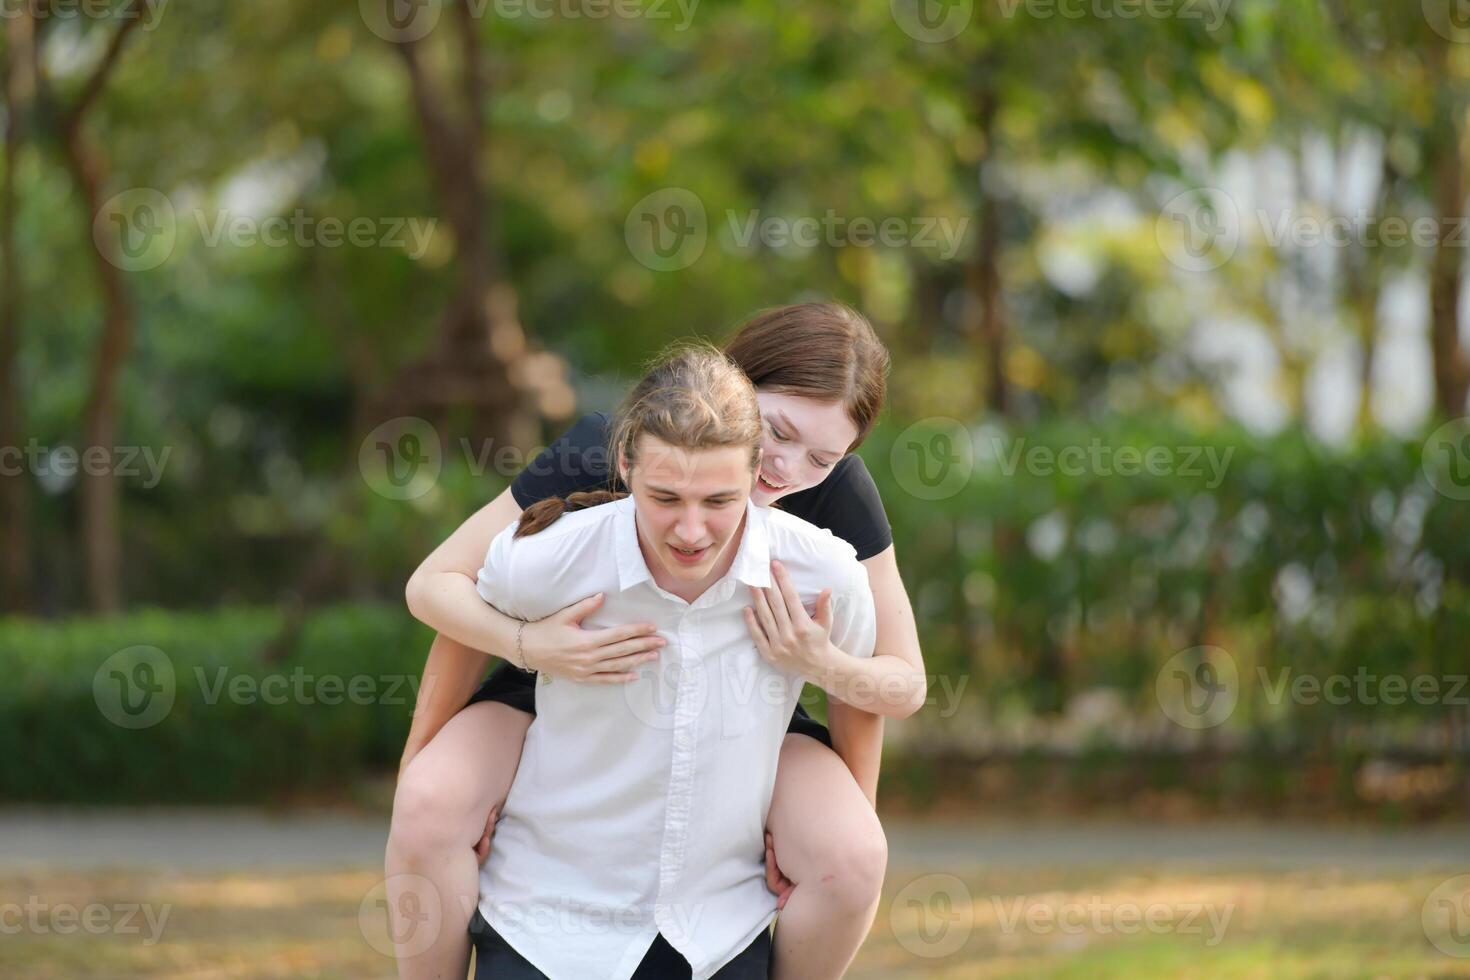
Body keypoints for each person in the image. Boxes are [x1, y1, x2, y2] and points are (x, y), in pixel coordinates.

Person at [388, 303, 927, 979]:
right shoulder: (618, 447)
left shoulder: (835, 504)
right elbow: (459, 585)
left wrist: (839, 797)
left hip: (750, 697)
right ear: (733, 386)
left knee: (850, 852)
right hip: (558, 670)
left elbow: (896, 679)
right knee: (429, 804)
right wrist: (520, 653)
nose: (786, 468)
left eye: (823, 455)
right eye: (779, 432)